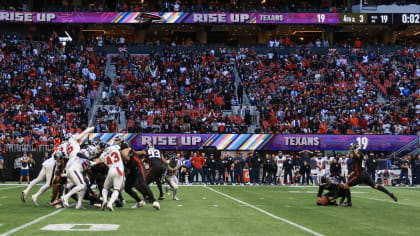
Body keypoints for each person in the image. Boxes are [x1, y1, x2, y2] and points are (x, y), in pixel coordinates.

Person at [90, 142, 124, 211]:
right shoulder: (114, 147)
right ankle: (110, 203)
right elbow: (120, 149)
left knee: (105, 188)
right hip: (119, 169)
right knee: (116, 189)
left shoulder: (102, 155)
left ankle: (105, 200)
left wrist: (93, 163)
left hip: (111, 170)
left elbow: (99, 161)